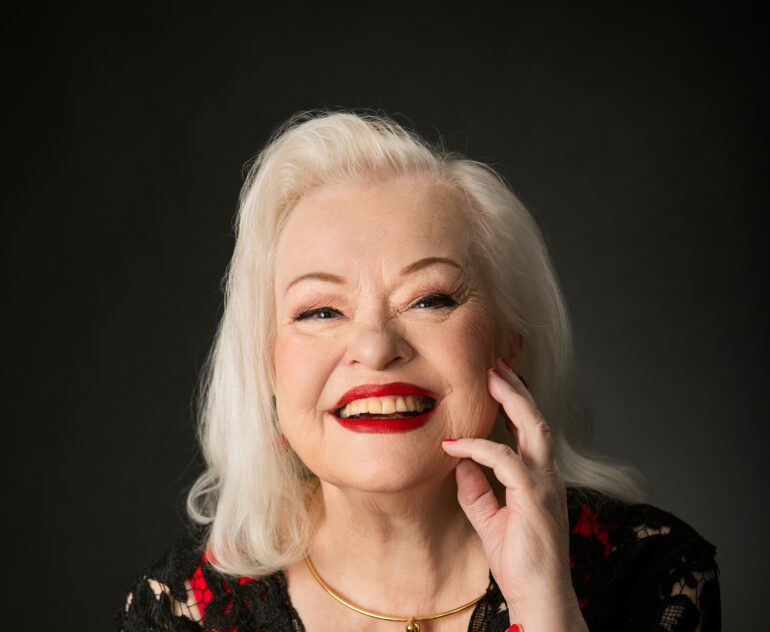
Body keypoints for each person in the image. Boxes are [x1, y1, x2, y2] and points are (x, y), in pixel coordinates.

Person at [117, 111, 720, 631]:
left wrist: (546, 606)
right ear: (267, 367)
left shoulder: (655, 576)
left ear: (507, 344)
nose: (376, 348)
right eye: (321, 311)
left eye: (429, 300)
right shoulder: (179, 610)